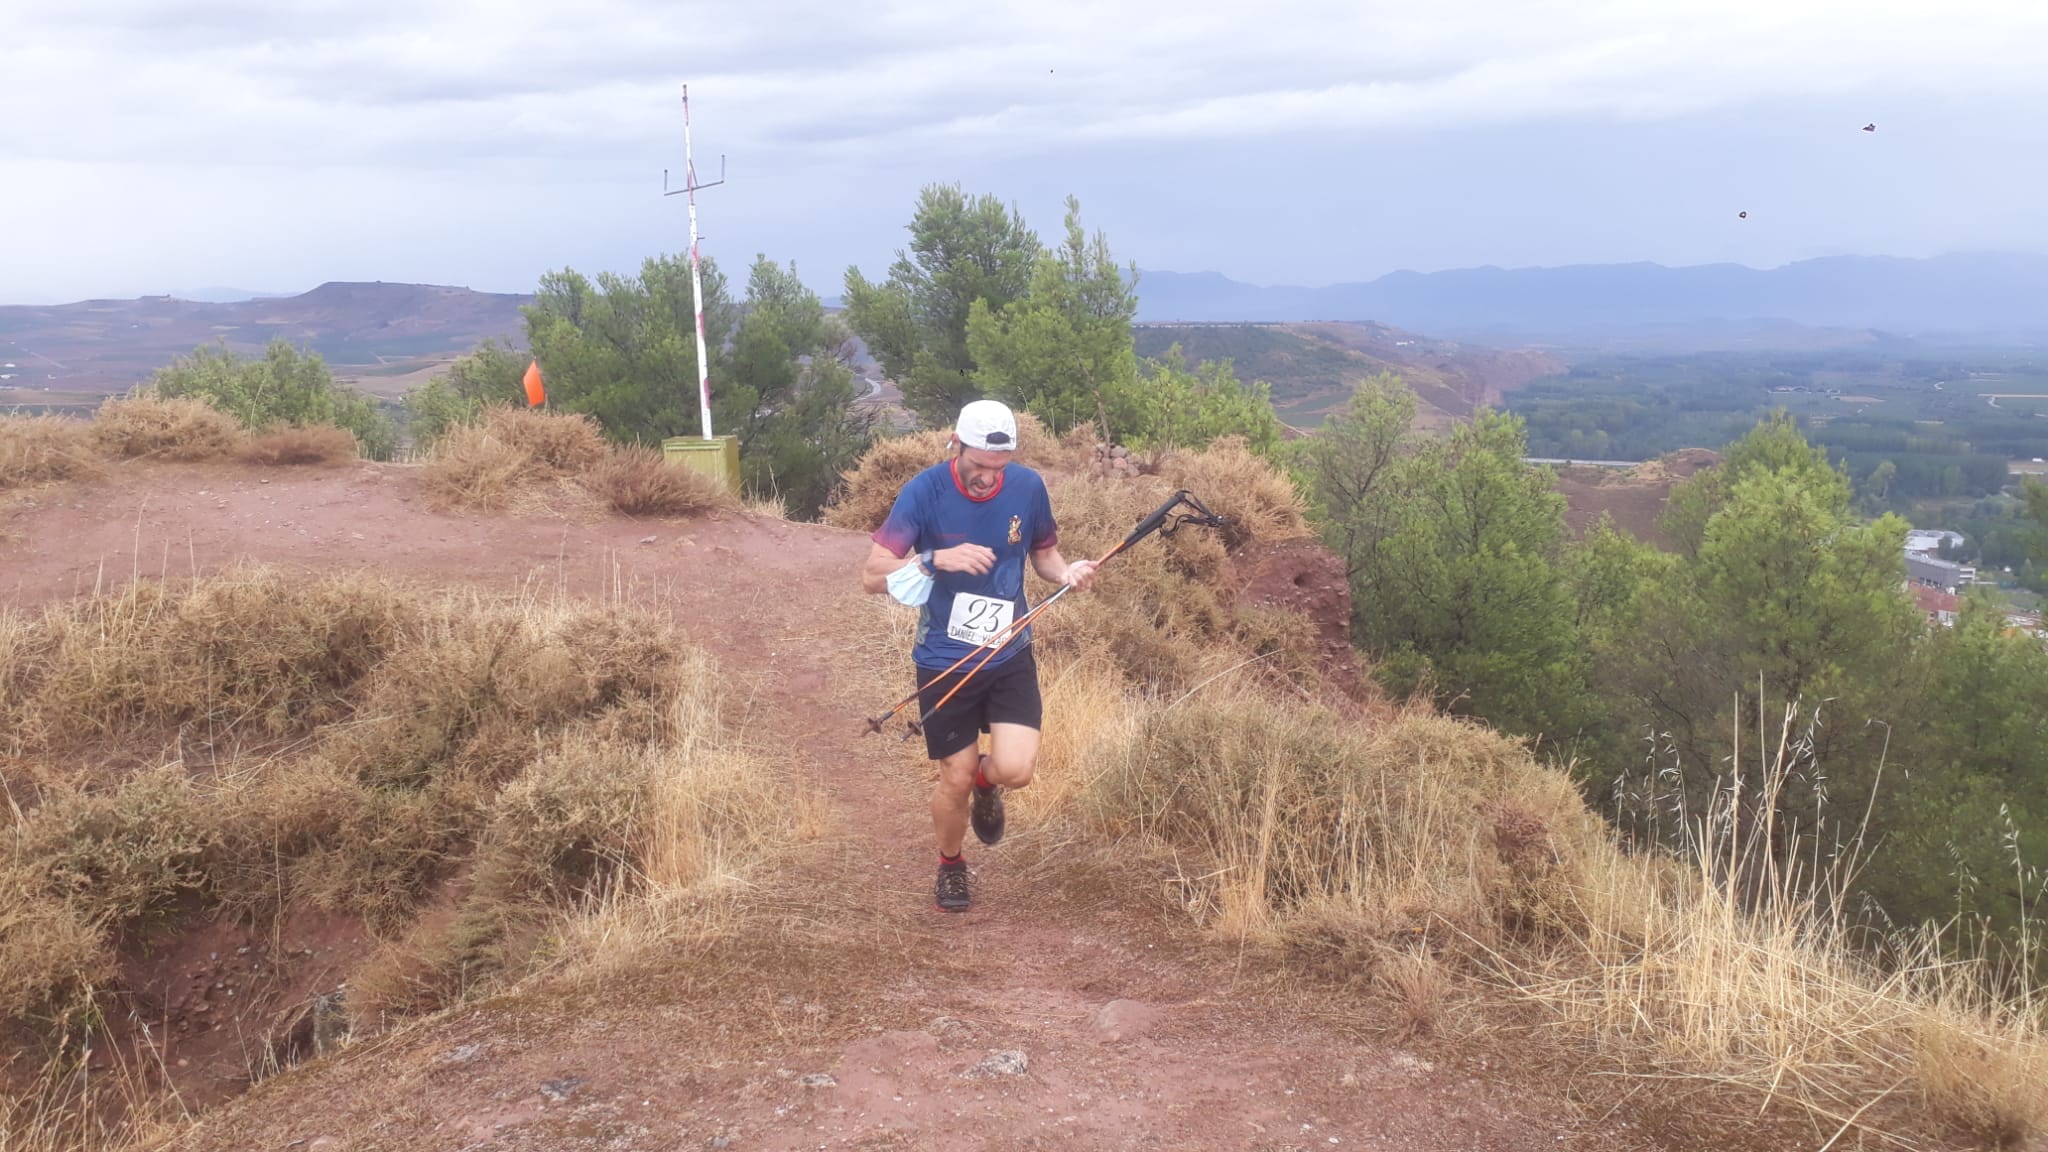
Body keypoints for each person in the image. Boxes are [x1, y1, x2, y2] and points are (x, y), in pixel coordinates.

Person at [860, 399, 1098, 912]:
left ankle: (988, 789)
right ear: (955, 444)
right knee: (955, 777)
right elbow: (872, 577)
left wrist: (1066, 573)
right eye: (978, 466)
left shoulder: (1028, 486)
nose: (990, 478)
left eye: (1000, 467)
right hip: (944, 658)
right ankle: (951, 864)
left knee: (1015, 770)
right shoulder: (924, 492)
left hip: (1009, 650)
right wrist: (934, 558)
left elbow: (1044, 554)